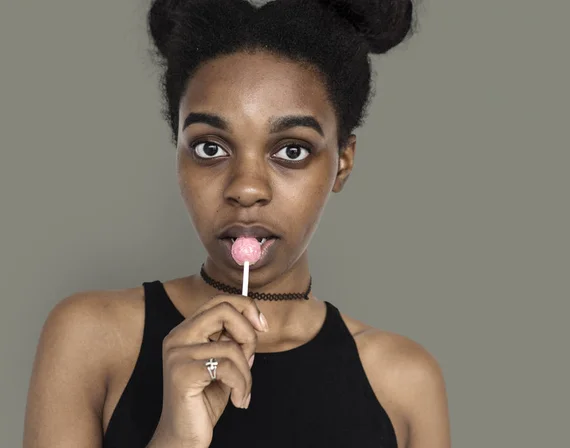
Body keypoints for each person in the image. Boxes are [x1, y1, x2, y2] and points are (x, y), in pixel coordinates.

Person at [23, 0, 450, 447]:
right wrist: (175, 438)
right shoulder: (90, 336)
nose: (246, 189)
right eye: (210, 148)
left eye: (291, 150)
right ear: (178, 155)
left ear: (342, 163)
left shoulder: (404, 382)